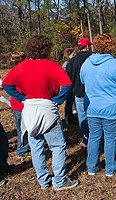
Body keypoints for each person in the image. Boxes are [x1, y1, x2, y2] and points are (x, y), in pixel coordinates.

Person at [2, 34, 79, 190]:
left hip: (29, 108)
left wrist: (21, 97)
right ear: (47, 49)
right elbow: (67, 84)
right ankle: (59, 181)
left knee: (36, 146)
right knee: (57, 146)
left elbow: (7, 84)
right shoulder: (52, 65)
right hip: (47, 107)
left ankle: (43, 181)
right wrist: (59, 99)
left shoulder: (21, 66)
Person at [80, 34, 116, 177]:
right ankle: (110, 168)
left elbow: (82, 80)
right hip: (111, 106)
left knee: (94, 137)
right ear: (111, 47)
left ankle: (91, 167)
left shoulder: (87, 63)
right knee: (110, 138)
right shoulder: (115, 64)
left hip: (92, 106)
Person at [66, 38, 92, 147]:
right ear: (88, 46)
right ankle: (96, 138)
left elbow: (68, 78)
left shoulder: (72, 61)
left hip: (79, 92)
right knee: (93, 116)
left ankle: (86, 138)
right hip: (94, 93)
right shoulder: (94, 58)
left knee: (83, 116)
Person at [9, 51, 31, 158]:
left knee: (22, 128)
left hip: (17, 104)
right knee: (23, 129)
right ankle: (22, 150)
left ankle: (24, 146)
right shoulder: (18, 73)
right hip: (20, 105)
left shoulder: (14, 72)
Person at [62, 48, 77, 125]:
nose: (75, 55)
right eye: (73, 54)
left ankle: (70, 116)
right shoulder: (66, 64)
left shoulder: (69, 63)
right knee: (68, 103)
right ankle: (68, 118)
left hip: (71, 85)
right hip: (68, 85)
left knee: (70, 102)